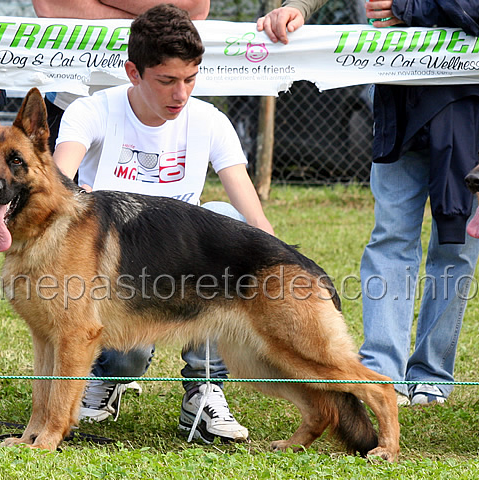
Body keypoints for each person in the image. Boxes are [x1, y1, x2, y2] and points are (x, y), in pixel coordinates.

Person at [52, 3, 274, 443]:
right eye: (167, 81)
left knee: (227, 222)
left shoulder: (211, 121)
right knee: (127, 359)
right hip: (117, 273)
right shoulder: (91, 111)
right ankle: (106, 380)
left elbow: (254, 219)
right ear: (134, 72)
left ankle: (204, 390)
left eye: (191, 79)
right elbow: (58, 191)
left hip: (186, 267)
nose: (181, 94)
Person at [258, 0, 479, 406]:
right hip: (397, 102)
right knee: (390, 238)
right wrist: (298, 7)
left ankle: (432, 375)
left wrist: (408, 8)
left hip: (468, 108)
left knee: (457, 246)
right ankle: (383, 372)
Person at [31, 0, 210, 151]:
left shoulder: (211, 122)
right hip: (71, 103)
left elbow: (196, 6)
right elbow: (49, 6)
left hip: (157, 117)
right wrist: (150, 26)